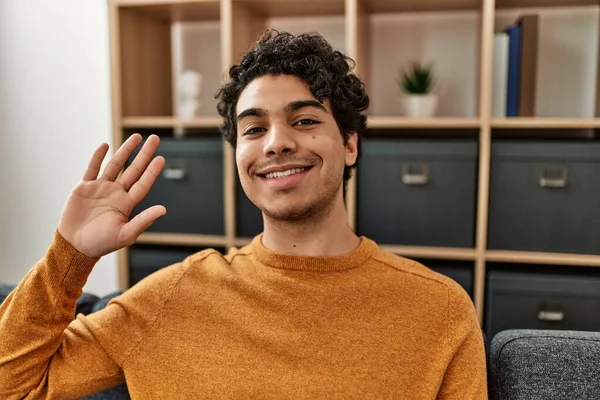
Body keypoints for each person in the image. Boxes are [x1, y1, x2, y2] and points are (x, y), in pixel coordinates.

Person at [0, 30, 487, 399]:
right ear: (238, 157)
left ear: (350, 144)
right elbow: (12, 384)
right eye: (253, 130)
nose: (276, 142)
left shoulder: (439, 311)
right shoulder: (168, 299)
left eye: (304, 120)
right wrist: (71, 256)